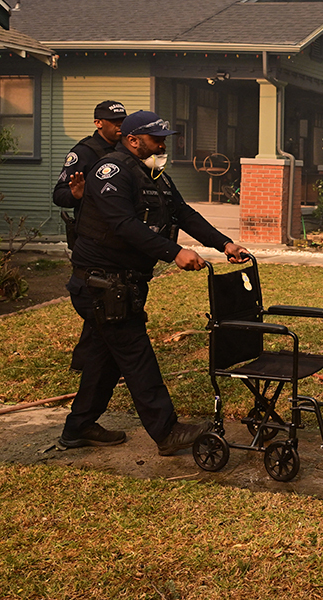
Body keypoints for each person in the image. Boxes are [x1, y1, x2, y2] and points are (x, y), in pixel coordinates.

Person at [59, 110, 251, 457]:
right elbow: (123, 225)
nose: (162, 144)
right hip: (100, 285)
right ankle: (167, 431)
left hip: (123, 284)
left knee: (107, 357)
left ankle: (78, 427)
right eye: (155, 138)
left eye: (164, 138)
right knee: (136, 355)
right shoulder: (111, 172)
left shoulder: (154, 174)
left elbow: (184, 213)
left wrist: (224, 243)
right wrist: (174, 252)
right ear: (132, 140)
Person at [53, 100, 127, 249]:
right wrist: (76, 195)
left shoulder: (126, 149)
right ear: (98, 123)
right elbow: (59, 194)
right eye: (113, 121)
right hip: (94, 238)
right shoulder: (84, 152)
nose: (119, 124)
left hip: (122, 233)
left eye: (123, 120)